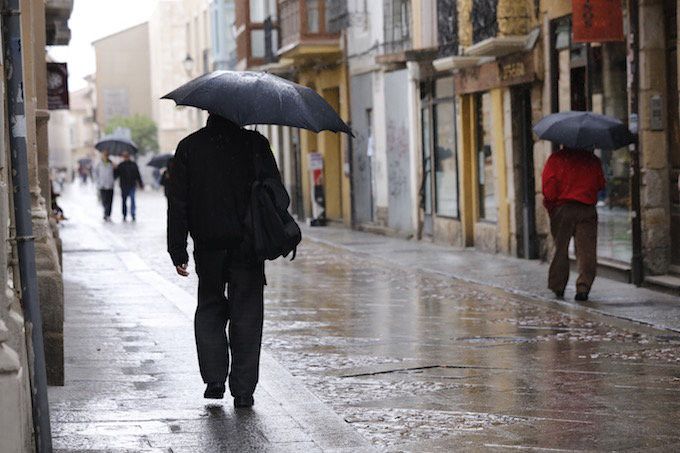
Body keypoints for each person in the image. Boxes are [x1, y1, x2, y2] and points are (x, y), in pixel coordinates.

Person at [167, 114, 280, 407]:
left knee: (210, 308)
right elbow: (277, 194)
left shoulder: (189, 147)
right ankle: (243, 391)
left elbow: (177, 202)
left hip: (209, 247)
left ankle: (215, 379)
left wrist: (177, 250)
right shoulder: (255, 144)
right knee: (248, 315)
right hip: (248, 246)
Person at [542, 145, 606, 302]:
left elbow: (549, 187)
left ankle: (558, 286)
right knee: (587, 250)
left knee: (560, 248)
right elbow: (600, 184)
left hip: (562, 208)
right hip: (586, 208)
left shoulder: (556, 159)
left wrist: (552, 207)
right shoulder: (592, 160)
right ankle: (583, 287)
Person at [115, 151, 144, 222]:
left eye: (127, 156)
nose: (126, 157)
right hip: (124, 186)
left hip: (132, 185)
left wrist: (140, 184)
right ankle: (124, 215)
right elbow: (116, 175)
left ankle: (133, 214)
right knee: (124, 201)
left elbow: (137, 174)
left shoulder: (133, 165)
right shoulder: (120, 165)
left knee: (132, 199)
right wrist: (115, 169)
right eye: (124, 156)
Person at [93, 151, 115, 222]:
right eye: (104, 155)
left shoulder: (111, 164)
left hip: (110, 185)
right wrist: (98, 181)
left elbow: (116, 174)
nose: (105, 156)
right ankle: (106, 213)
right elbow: (95, 173)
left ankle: (108, 215)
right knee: (104, 201)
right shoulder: (99, 164)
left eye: (107, 155)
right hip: (102, 185)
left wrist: (115, 168)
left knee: (110, 201)